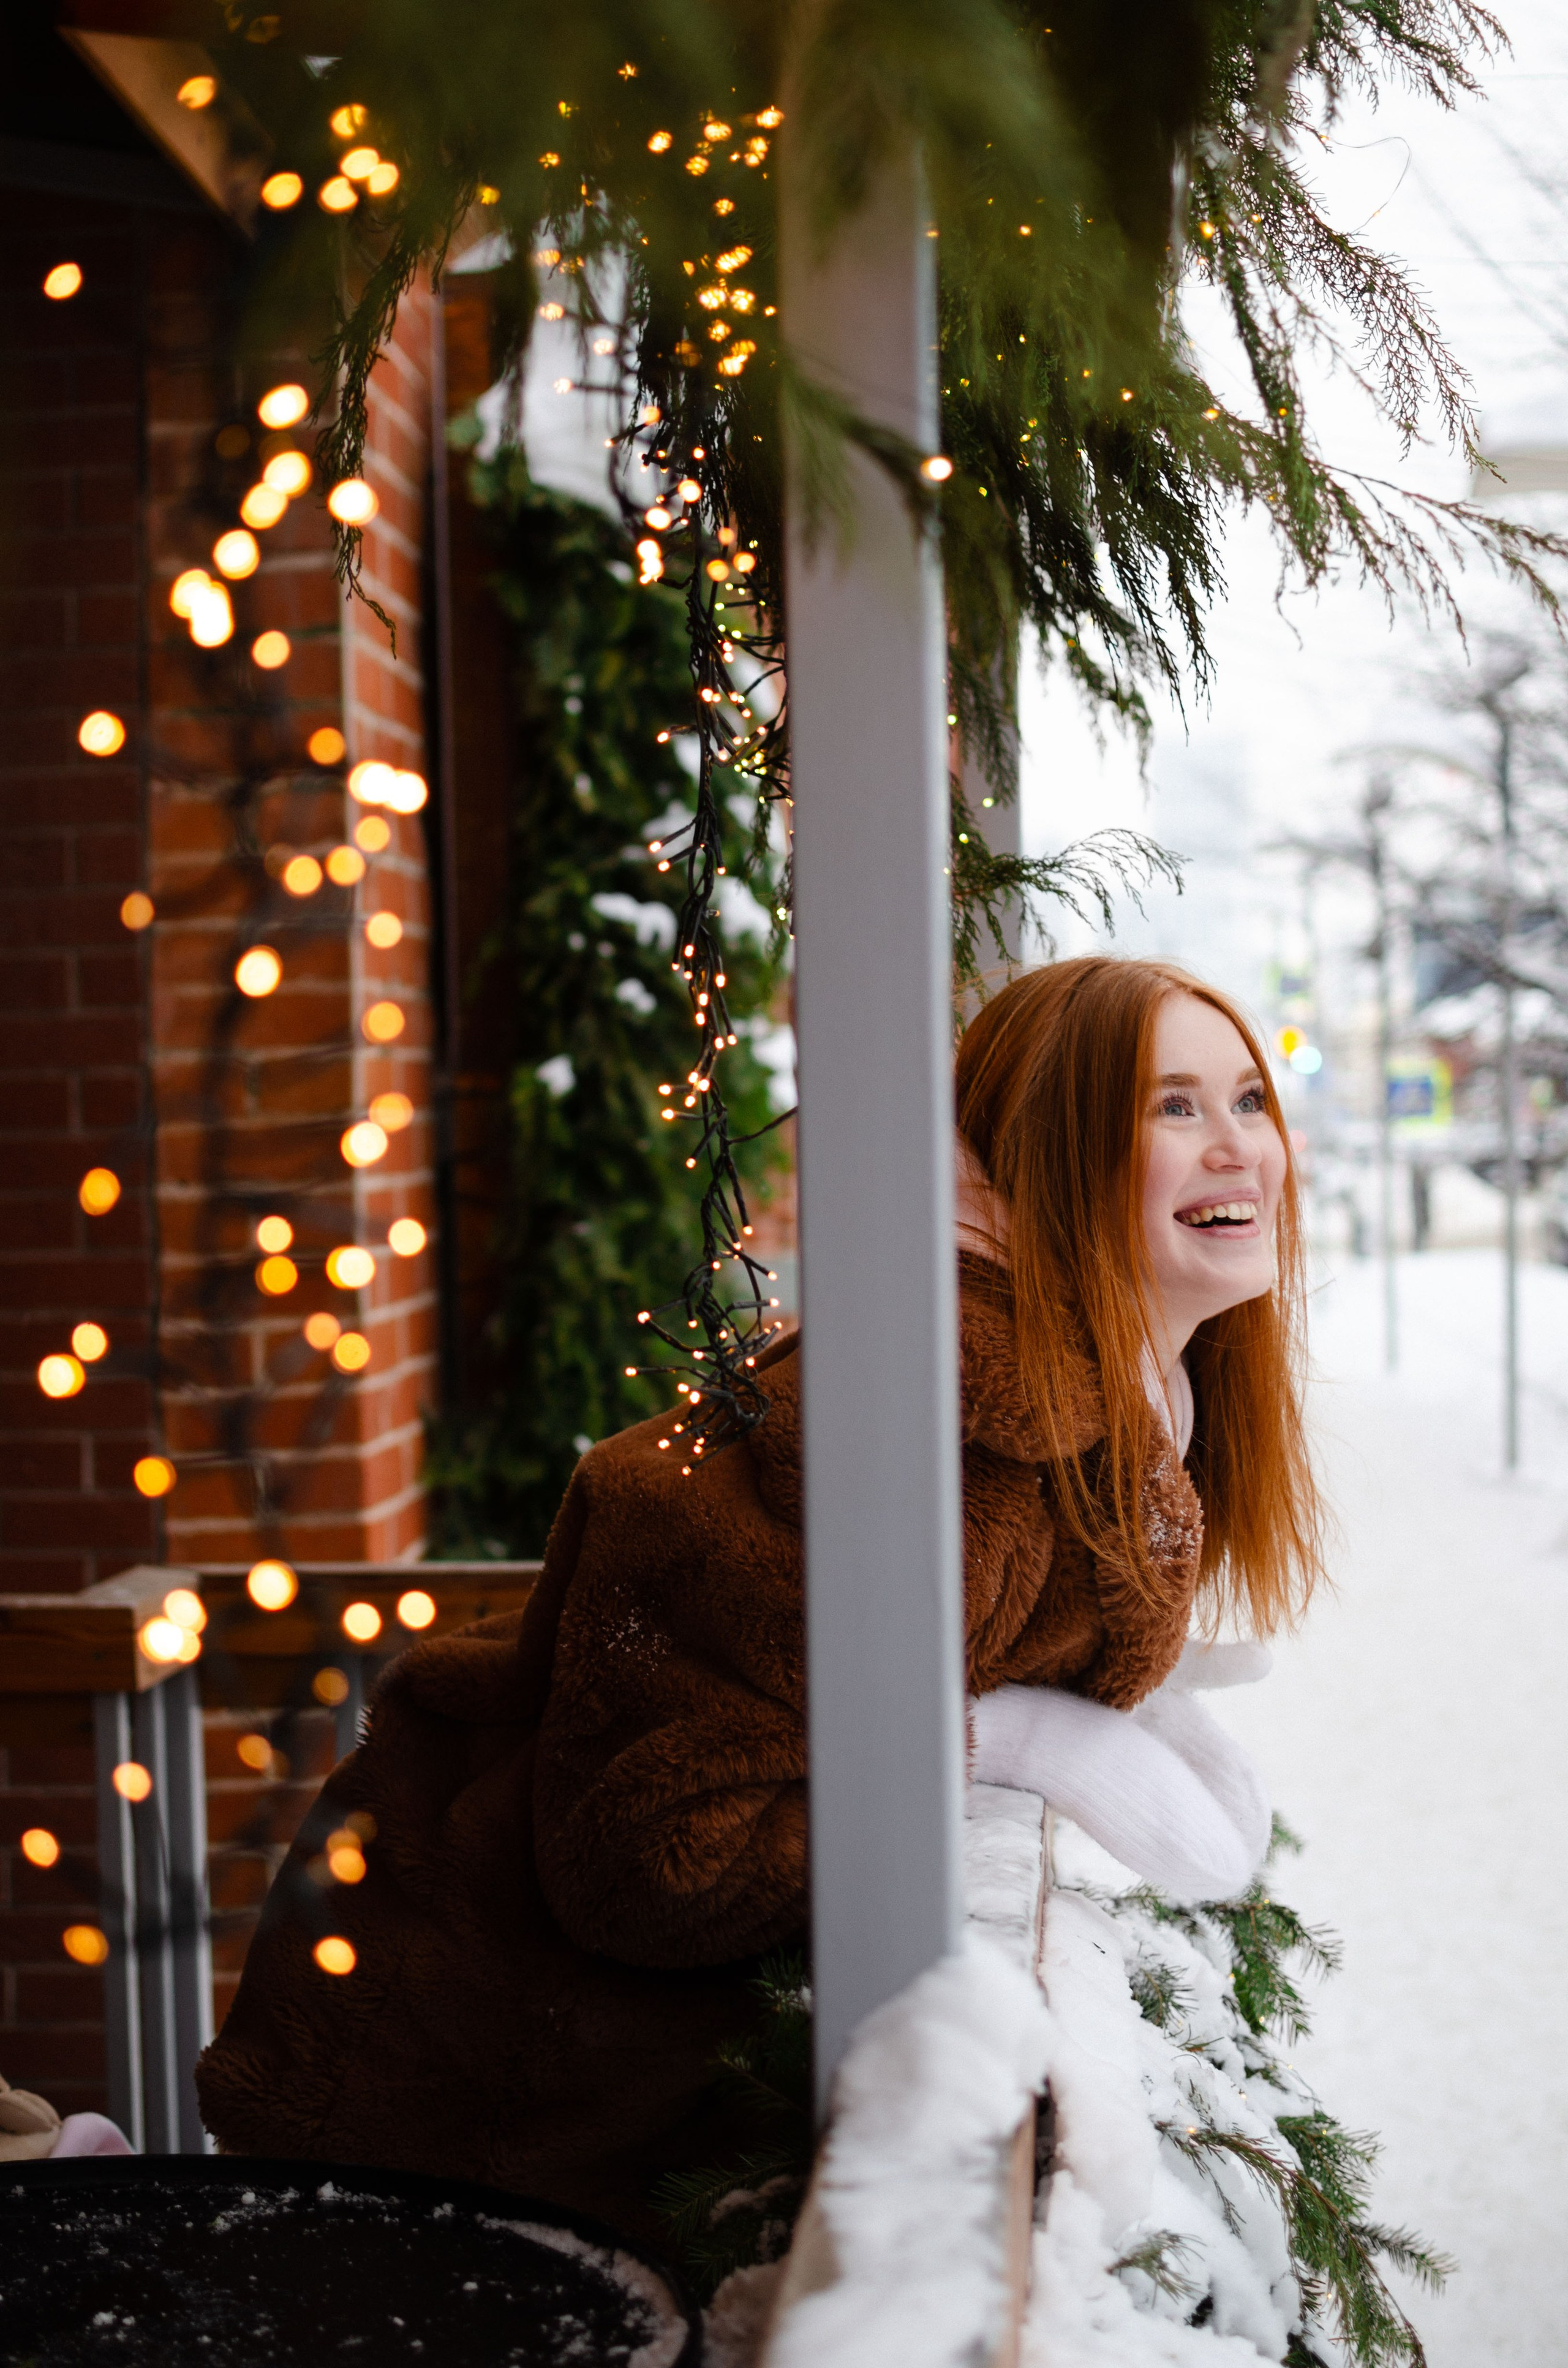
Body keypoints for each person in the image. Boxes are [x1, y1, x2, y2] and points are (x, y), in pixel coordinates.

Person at [197, 956, 1322, 2232]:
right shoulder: (953, 1425)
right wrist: (1004, 1738)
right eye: (1172, 1107)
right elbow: (662, 1852)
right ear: (1042, 1151)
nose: (1237, 1148)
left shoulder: (1088, 1407)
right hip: (451, 2101)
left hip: (531, 2119)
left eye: (1246, 1099)